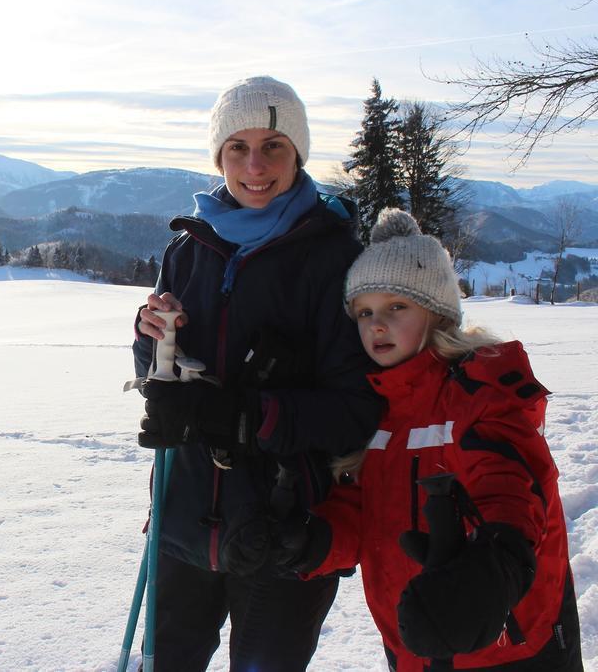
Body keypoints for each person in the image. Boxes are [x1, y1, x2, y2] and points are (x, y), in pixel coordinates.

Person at [132, 76, 381, 671]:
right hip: (184, 519)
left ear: (298, 153)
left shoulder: (335, 257)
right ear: (219, 155)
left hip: (286, 532)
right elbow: (157, 374)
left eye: (274, 146)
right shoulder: (189, 247)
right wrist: (150, 343)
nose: (255, 165)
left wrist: (248, 419)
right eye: (237, 147)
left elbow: (358, 409)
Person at [279, 208, 582, 671]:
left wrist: (495, 565)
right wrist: (312, 541)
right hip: (415, 642)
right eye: (364, 312)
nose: (376, 325)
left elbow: (510, 485)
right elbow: (366, 514)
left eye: (396, 307)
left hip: (506, 643)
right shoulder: (379, 408)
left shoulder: (480, 391)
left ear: (438, 312)